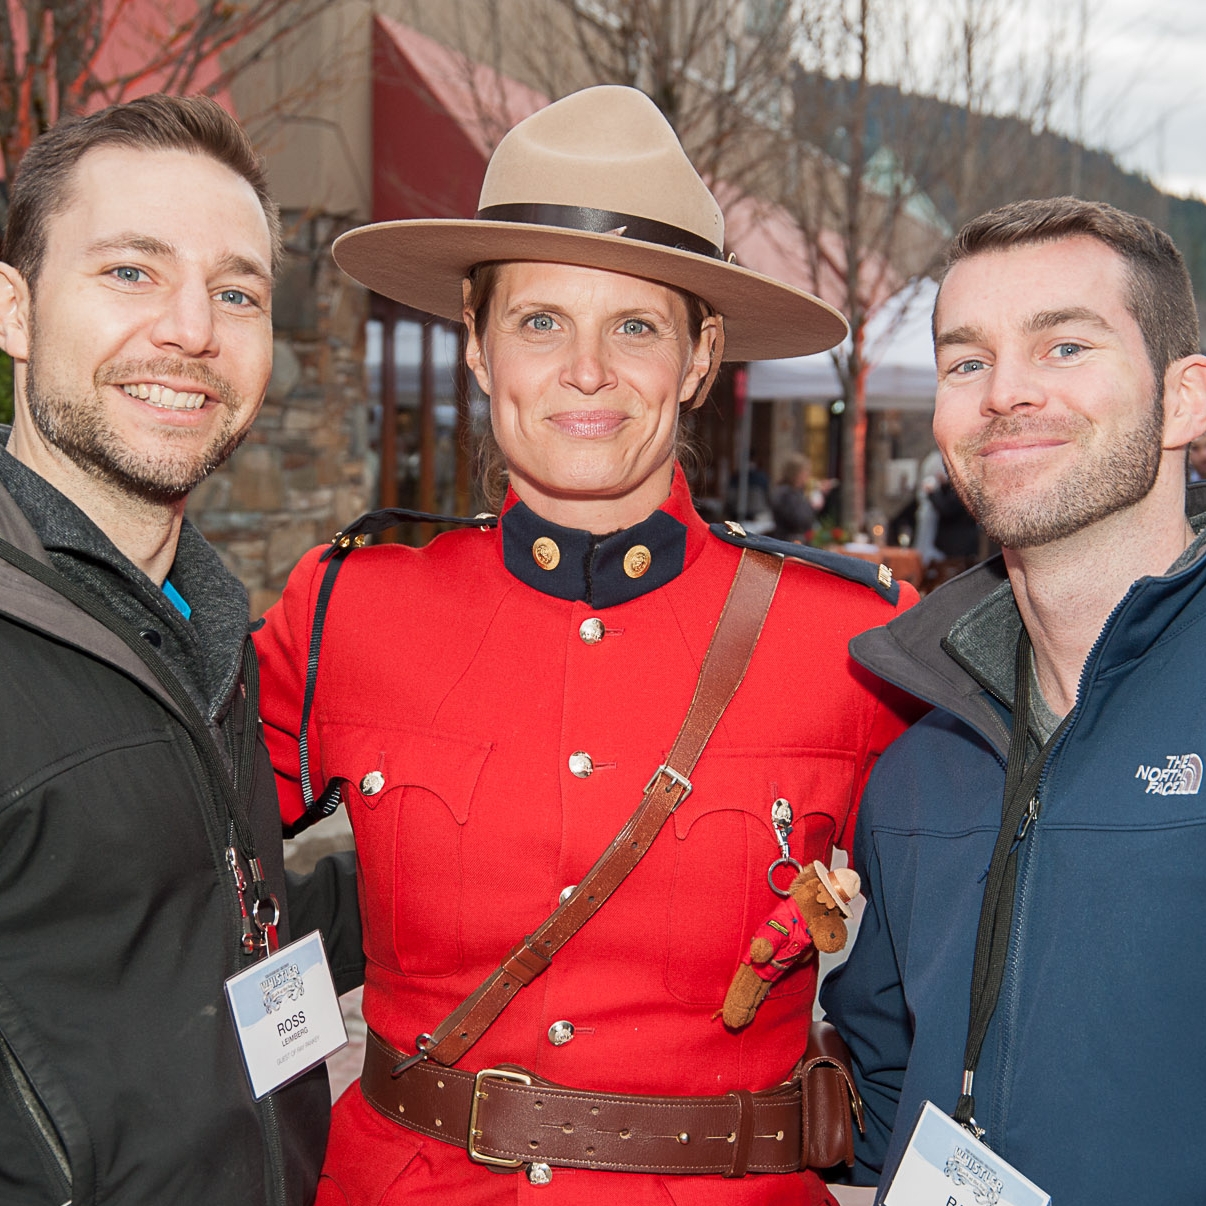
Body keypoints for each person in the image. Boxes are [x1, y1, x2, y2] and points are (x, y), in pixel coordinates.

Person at [255, 85, 920, 1205]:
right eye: (540, 321)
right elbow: (163, 864)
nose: (588, 372)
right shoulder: (344, 610)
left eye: (638, 327)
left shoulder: (850, 641)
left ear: (701, 359)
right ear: (475, 346)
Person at [0, 95, 361, 1206]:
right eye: (131, 273)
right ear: (13, 310)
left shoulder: (202, 624)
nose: (191, 329)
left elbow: (189, 920)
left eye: (236, 291)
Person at [820, 197, 1206, 1205]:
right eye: (966, 362)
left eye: (1065, 346)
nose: (1006, 394)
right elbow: (886, 1080)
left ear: (1186, 401)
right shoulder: (918, 764)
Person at [769, 451, 818, 541]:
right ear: (796, 473)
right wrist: (813, 506)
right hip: (789, 542)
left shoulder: (795, 492)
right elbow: (799, 520)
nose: (807, 475)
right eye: (805, 472)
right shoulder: (785, 493)